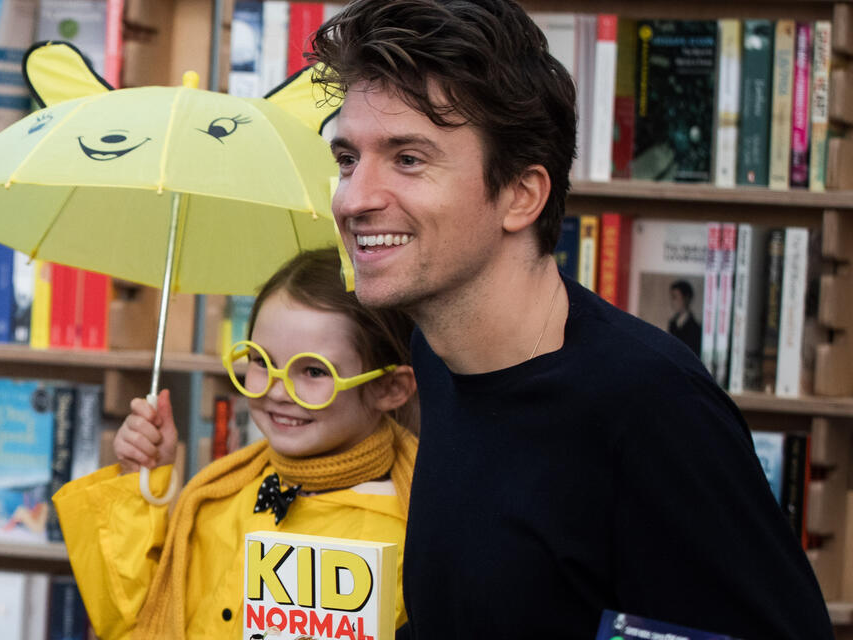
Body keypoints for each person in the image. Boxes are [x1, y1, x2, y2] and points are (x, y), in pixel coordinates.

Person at [311, 0, 832, 637]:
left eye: (409, 159)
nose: (355, 197)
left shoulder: (652, 410)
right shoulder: (436, 357)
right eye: (346, 159)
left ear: (521, 195)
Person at [53, 249, 418, 639]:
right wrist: (140, 486)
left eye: (313, 371)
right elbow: (133, 624)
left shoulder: (416, 534)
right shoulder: (216, 497)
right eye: (261, 361)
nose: (278, 391)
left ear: (389, 388)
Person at [667, 279, 700, 352]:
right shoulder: (672, 323)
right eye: (672, 297)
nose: (672, 302)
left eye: (675, 297)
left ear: (686, 298)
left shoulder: (695, 328)